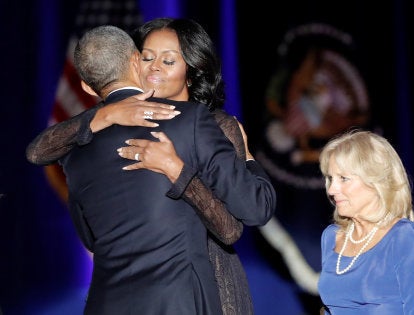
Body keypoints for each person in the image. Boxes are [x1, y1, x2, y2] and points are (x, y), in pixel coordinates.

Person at [26, 18, 262, 314]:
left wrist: (243, 158)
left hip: (209, 278)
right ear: (136, 61)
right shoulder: (85, 137)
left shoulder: (212, 123)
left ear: (190, 71)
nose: (154, 68)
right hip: (177, 295)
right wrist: (105, 116)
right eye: (149, 57)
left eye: (168, 60)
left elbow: (249, 212)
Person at [317, 130, 414, 314]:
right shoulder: (331, 237)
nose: (332, 189)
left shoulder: (405, 237)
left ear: (376, 182)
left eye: (343, 179)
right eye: (331, 179)